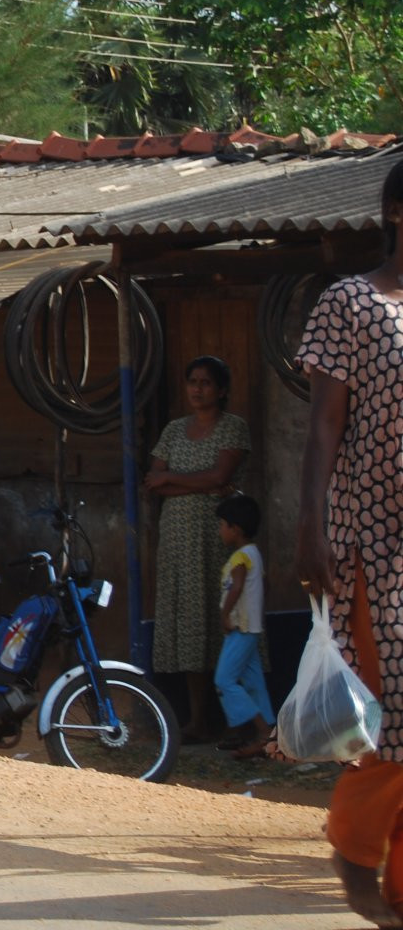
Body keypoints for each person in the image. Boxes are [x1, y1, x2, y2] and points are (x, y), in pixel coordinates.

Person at [297, 155, 403, 929]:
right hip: (372, 538)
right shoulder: (352, 303)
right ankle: (356, 848)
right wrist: (310, 526)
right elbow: (325, 423)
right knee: (392, 716)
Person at [144, 354, 250, 742]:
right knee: (191, 625)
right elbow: (151, 480)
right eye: (192, 381)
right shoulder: (174, 430)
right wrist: (199, 483)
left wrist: (172, 478)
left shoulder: (233, 428)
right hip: (178, 538)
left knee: (222, 620)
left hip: (216, 537)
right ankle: (197, 719)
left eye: (206, 382)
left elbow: (221, 475)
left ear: (221, 390)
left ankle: (237, 722)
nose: (197, 389)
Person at [213, 493, 271, 757]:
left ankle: (262, 732)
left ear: (234, 529)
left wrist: (225, 615)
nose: (220, 530)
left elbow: (236, 588)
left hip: (241, 629)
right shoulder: (254, 554)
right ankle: (269, 737)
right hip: (252, 628)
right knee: (254, 682)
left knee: (224, 679)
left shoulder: (240, 558)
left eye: (222, 525)